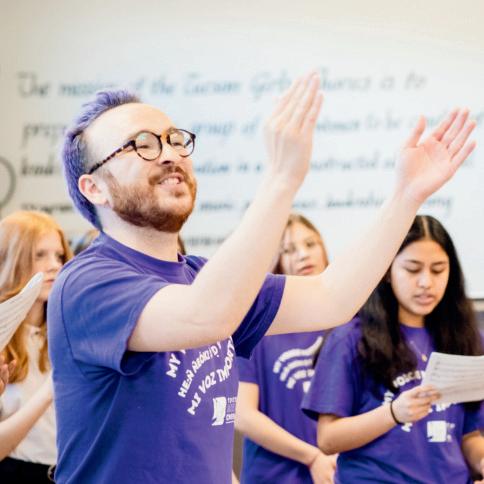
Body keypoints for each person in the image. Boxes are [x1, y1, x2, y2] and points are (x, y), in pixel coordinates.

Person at [48, 71, 476, 483]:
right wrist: (282, 178)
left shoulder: (201, 276)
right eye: (140, 145)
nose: (169, 154)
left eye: (174, 139)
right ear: (94, 188)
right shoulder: (87, 283)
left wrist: (405, 196)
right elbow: (204, 316)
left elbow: (333, 298)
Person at [302, 215, 484, 483]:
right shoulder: (350, 339)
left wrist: (481, 460)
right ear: (387, 271)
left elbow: (468, 434)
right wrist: (393, 413)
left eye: (438, 270)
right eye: (412, 270)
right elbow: (328, 439)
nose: (426, 282)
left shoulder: (466, 338)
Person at [236, 213, 336, 483]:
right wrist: (311, 456)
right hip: (274, 476)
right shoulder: (256, 325)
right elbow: (243, 415)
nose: (303, 255)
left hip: (338, 471)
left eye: (311, 244)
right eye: (289, 250)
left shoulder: (349, 320)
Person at [0, 210, 72, 482]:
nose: (54, 265)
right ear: (10, 259)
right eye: (39, 255)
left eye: (59, 256)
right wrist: (48, 391)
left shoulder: (68, 332)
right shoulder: (3, 340)